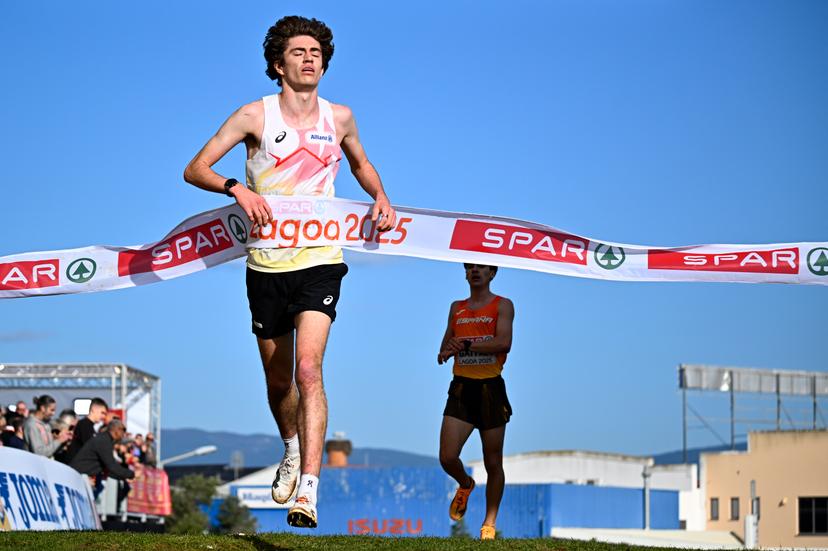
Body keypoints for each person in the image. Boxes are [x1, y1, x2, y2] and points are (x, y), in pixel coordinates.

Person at [183, 15, 396, 529]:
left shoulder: (339, 117)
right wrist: (237, 188)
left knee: (308, 370)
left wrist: (381, 196)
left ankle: (309, 492)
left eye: (316, 52)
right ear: (279, 64)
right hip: (266, 263)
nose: (309, 58)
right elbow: (195, 168)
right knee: (280, 381)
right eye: (299, 52)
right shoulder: (253, 115)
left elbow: (360, 164)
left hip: (321, 260)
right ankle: (292, 447)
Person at [437, 264, 515, 540]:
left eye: (481, 267)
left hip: (490, 388)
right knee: (447, 457)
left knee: (493, 462)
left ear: (492, 273)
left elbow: (503, 343)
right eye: (470, 267)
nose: (475, 271)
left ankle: (488, 525)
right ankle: (466, 483)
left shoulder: (503, 305)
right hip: (461, 387)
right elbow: (444, 349)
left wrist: (467, 344)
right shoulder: (456, 307)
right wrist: (447, 351)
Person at [70, 419, 136, 485]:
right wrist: (131, 474)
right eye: (123, 430)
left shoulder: (105, 439)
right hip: (77, 476)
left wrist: (126, 476)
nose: (123, 434)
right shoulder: (104, 441)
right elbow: (112, 466)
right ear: (116, 429)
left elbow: (108, 467)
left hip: (81, 475)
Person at [65, 397, 108, 463]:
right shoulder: (84, 425)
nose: (104, 416)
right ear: (93, 409)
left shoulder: (89, 426)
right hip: (76, 465)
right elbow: (91, 447)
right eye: (102, 413)